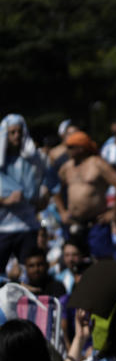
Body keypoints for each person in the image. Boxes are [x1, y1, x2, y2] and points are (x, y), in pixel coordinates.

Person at [56, 131, 116, 259]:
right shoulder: (67, 167)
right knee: (75, 260)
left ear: (81, 148)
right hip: (74, 223)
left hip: (96, 224)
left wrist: (114, 212)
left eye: (71, 147)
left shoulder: (97, 164)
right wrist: (62, 211)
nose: (68, 150)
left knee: (100, 262)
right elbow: (55, 189)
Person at [0, 115, 43, 272]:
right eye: (12, 132)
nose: (16, 136)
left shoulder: (32, 161)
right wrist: (5, 201)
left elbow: (40, 190)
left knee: (30, 271)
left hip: (27, 226)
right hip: (3, 228)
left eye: (19, 132)